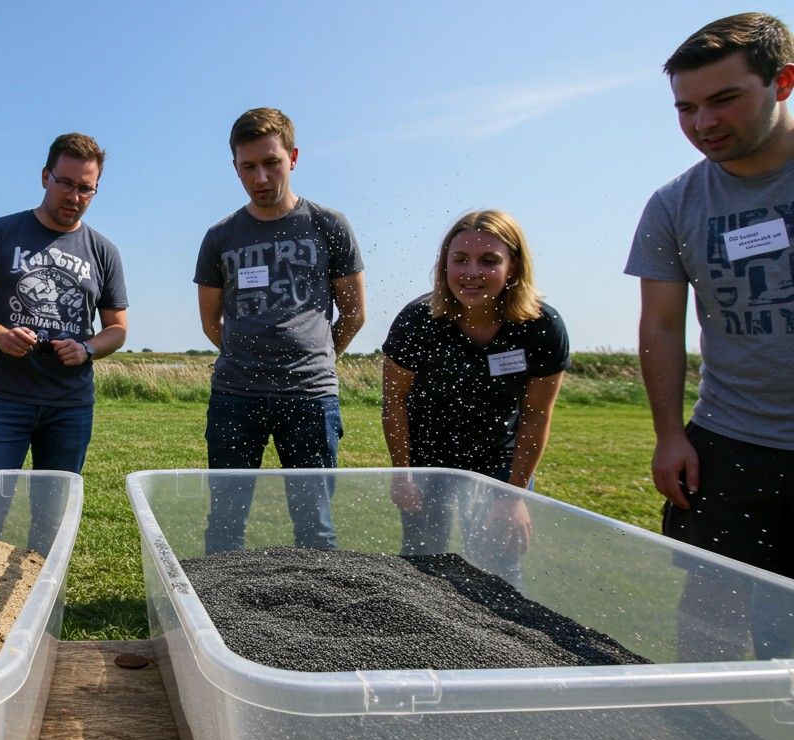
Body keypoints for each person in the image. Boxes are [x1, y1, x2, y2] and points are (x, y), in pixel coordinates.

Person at [624, 12, 794, 660]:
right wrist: (670, 434)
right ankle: (700, 720)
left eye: (724, 100)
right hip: (729, 439)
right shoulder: (673, 205)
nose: (704, 124)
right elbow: (662, 325)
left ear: (783, 82)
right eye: (686, 108)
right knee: (710, 612)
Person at [194, 107, 366, 554]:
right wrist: (247, 354)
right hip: (235, 396)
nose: (261, 177)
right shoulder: (220, 237)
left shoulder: (329, 225)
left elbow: (353, 314)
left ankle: (317, 597)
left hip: (310, 397)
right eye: (248, 166)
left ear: (293, 157)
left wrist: (315, 357)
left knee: (315, 527)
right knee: (226, 523)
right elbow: (211, 321)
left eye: (271, 162)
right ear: (235, 166)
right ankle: (220, 596)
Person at [0, 133, 128, 554]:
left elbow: (117, 328)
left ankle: (42, 591)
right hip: (4, 399)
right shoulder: (0, 232)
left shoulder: (104, 251)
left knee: (53, 518)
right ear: (46, 176)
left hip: (70, 405)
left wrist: (87, 349)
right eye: (65, 183)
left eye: (86, 188)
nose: (74, 197)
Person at [382, 210, 569, 583]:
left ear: (513, 267)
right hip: (427, 461)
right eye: (460, 259)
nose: (471, 272)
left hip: (499, 463)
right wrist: (402, 474)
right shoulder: (417, 321)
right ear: (444, 265)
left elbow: (536, 415)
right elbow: (395, 403)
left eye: (488, 260)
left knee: (498, 572)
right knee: (423, 567)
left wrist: (513, 496)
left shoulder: (541, 327)